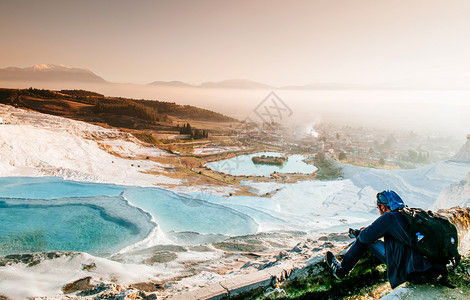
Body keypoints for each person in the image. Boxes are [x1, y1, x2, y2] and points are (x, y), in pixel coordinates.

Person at [326, 190, 438, 288]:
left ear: (383, 206)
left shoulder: (389, 216)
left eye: (378, 208)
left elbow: (365, 237)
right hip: (431, 269)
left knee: (362, 240)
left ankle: (341, 271)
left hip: (412, 272)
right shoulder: (408, 215)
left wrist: (361, 232)